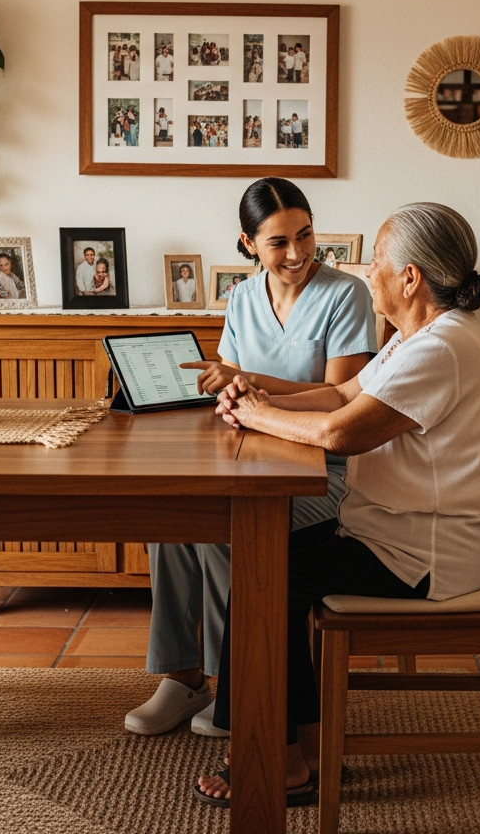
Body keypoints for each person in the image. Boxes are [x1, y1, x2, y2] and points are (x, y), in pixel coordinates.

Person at [193, 202, 480, 808]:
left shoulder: (438, 348)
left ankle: (275, 756)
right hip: (402, 537)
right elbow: (340, 393)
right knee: (264, 564)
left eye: (380, 264)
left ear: (411, 277)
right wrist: (258, 391)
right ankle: (299, 746)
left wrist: (256, 414)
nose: (369, 274)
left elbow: (343, 433)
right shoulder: (421, 336)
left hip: (430, 555)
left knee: (267, 576)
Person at [124, 178, 377, 744]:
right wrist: (227, 391)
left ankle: (235, 687)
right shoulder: (240, 298)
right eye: (277, 243)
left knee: (221, 528)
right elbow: (233, 396)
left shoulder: (346, 295)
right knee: (172, 521)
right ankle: (183, 678)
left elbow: (344, 395)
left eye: (305, 235)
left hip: (323, 473)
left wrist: (250, 383)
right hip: (247, 458)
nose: (296, 253)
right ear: (247, 244)